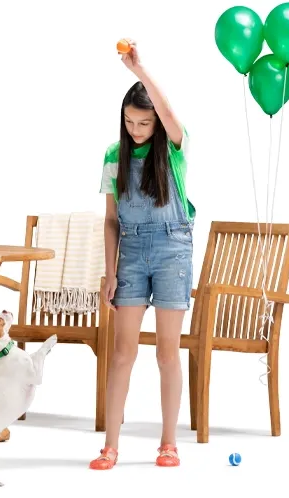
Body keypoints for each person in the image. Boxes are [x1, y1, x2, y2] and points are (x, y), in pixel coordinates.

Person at [91, 39, 195, 470]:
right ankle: (110, 445)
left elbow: (171, 116)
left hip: (173, 248)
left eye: (144, 123)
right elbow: (112, 220)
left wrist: (139, 70)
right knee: (122, 353)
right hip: (131, 251)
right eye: (130, 122)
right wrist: (110, 271)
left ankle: (168, 442)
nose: (136, 130)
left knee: (167, 353)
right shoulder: (113, 156)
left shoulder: (172, 148)